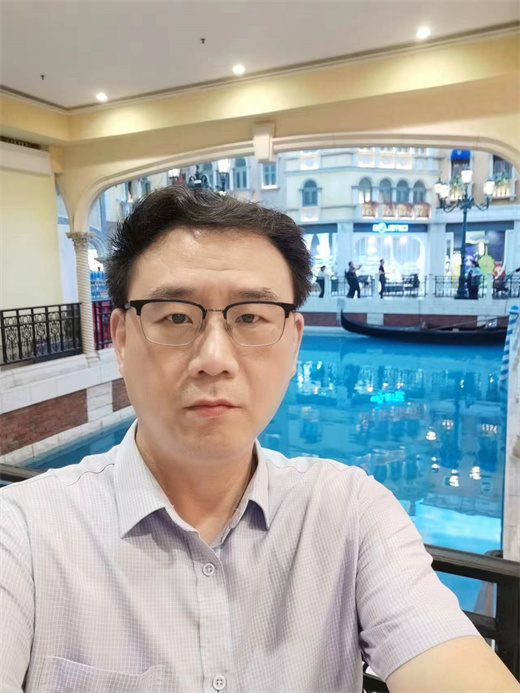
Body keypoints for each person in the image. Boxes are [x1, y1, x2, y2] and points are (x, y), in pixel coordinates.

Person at [1, 187, 519, 693]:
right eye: (176, 316)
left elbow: (439, 649)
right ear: (120, 338)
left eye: (250, 317)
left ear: (294, 341)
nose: (214, 359)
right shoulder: (23, 533)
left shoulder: (351, 515)